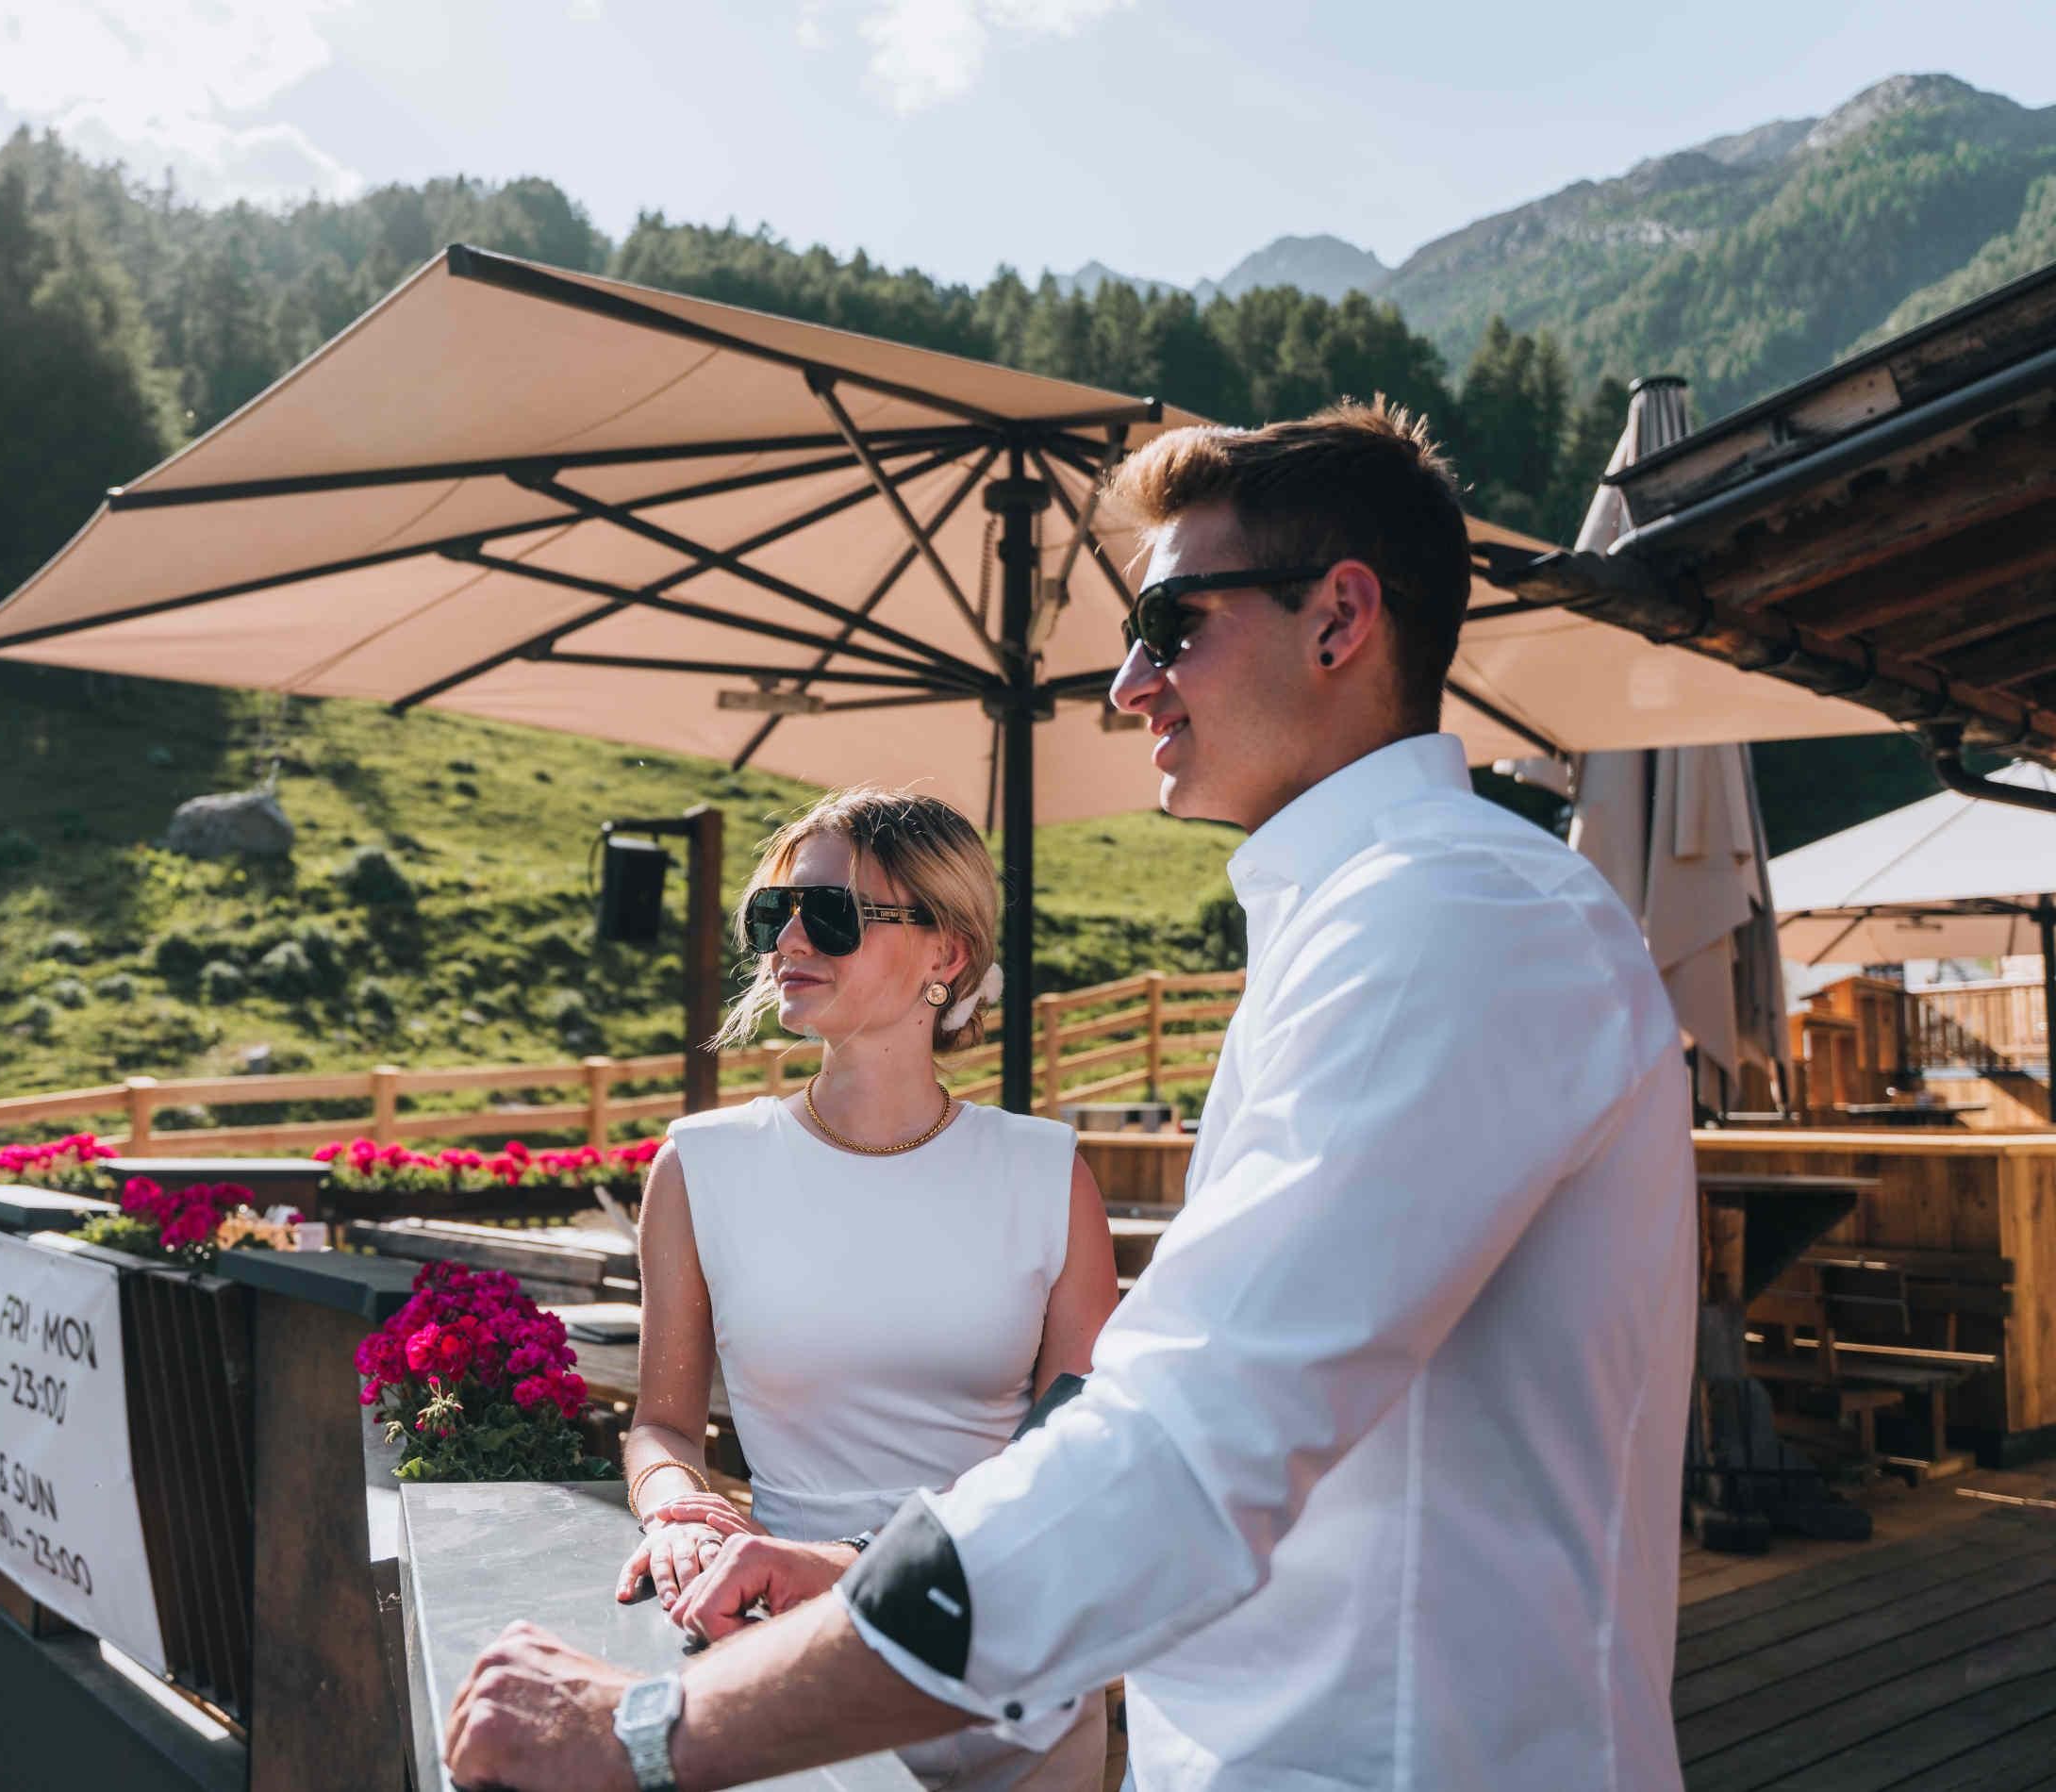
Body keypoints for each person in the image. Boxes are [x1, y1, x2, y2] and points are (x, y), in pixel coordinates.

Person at [442, 398, 1697, 1792]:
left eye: (1168, 623)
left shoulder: (1449, 917)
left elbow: (1177, 1447)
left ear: (1339, 619)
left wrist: (643, 1733)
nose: (1128, 685)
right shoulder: (1382, 917)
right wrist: (859, 1585)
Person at [613, 787, 1120, 1791]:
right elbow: (662, 1424)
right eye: (775, 912)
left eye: (833, 914)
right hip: (792, 1665)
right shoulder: (699, 1166)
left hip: (1011, 1670)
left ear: (947, 954)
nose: (790, 938)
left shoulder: (1047, 1173)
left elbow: (1079, 1451)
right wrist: (678, 1509)